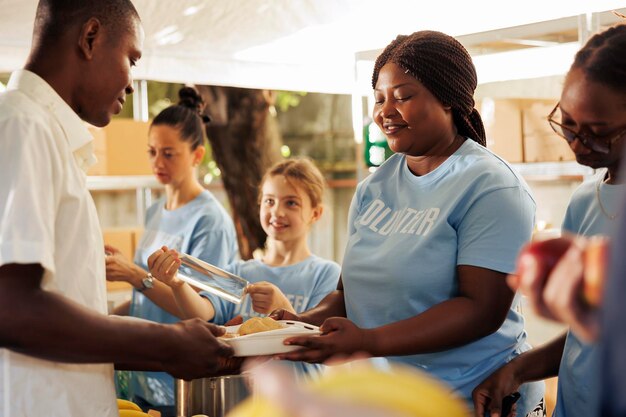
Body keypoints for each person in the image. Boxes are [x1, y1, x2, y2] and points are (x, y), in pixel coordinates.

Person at [271, 30, 544, 415]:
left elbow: (481, 310)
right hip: (389, 400)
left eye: (403, 96)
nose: (386, 111)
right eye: (379, 99)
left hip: (474, 398)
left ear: (448, 97)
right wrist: (299, 326)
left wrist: (367, 341)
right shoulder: (374, 189)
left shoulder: (490, 186)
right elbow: (348, 298)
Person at [0, 1, 233, 416]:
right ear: (90, 38)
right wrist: (164, 345)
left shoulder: (46, 136)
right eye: (131, 59)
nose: (130, 84)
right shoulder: (24, 125)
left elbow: (66, 316)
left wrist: (177, 342)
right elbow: (11, 308)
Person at [471, 23, 626, 417]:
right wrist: (517, 371)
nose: (576, 143)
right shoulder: (585, 201)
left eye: (598, 133)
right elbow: (583, 337)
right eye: (568, 123)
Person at [104, 86, 239, 414]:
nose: (157, 162)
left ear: (196, 155)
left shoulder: (210, 220)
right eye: (152, 151)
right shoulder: (155, 210)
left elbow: (206, 313)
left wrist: (136, 276)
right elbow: (146, 302)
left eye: (168, 153)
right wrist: (99, 318)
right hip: (143, 373)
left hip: (181, 379)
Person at [148, 158, 341, 377]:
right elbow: (202, 313)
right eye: (269, 201)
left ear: (315, 213)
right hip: (242, 401)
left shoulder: (327, 274)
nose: (277, 211)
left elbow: (322, 345)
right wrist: (177, 284)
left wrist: (282, 308)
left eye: (291, 203)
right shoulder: (240, 272)